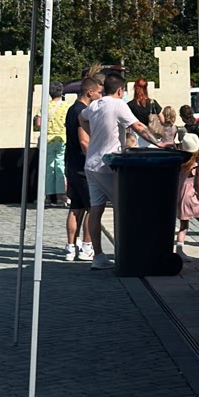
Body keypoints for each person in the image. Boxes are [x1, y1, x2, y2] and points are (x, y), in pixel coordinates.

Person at [83, 71, 159, 257]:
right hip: (109, 164)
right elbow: (138, 126)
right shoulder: (118, 105)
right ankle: (126, 251)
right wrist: (159, 143)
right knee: (124, 206)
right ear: (119, 90)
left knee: (96, 209)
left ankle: (98, 256)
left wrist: (93, 135)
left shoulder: (95, 105)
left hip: (91, 163)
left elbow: (81, 118)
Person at [63, 73, 101, 260]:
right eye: (99, 93)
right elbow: (83, 141)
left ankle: (70, 247)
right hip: (83, 165)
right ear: (90, 92)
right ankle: (87, 247)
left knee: (75, 208)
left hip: (71, 164)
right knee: (92, 208)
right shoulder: (82, 112)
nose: (100, 96)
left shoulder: (71, 110)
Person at [176, 132, 199, 257]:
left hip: (180, 197)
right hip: (191, 198)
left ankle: (179, 252)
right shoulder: (195, 166)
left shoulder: (179, 164)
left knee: (183, 226)